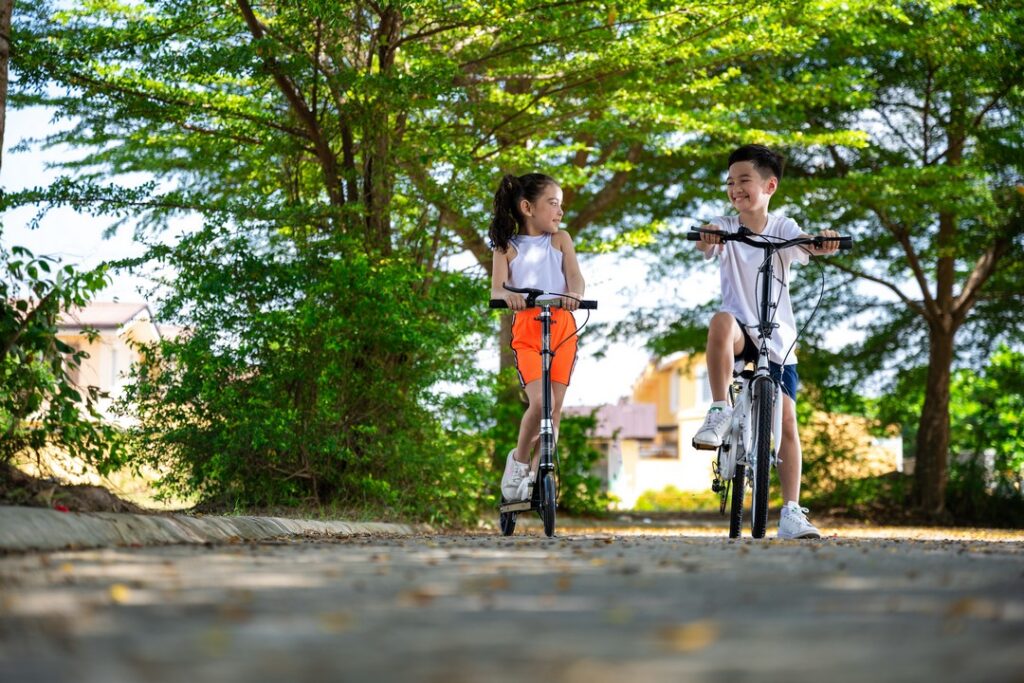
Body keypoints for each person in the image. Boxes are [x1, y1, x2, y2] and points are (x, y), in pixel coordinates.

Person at [691, 144, 839, 539]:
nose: (735, 188)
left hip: (778, 338)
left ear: (769, 185)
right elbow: (707, 241)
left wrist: (822, 241)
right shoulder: (725, 225)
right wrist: (707, 237)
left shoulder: (783, 227)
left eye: (744, 180)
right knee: (720, 320)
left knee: (787, 421)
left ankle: (791, 512)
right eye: (730, 182)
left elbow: (806, 242)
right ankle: (720, 409)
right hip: (740, 333)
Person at [489, 173, 585, 503]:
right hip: (528, 328)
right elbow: (497, 289)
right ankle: (517, 462)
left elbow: (576, 279)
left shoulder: (561, 240)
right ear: (528, 207)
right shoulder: (506, 247)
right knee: (541, 402)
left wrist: (573, 294)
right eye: (553, 203)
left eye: (562, 204)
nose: (560, 211)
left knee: (555, 408)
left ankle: (535, 474)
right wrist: (507, 297)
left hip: (563, 326)